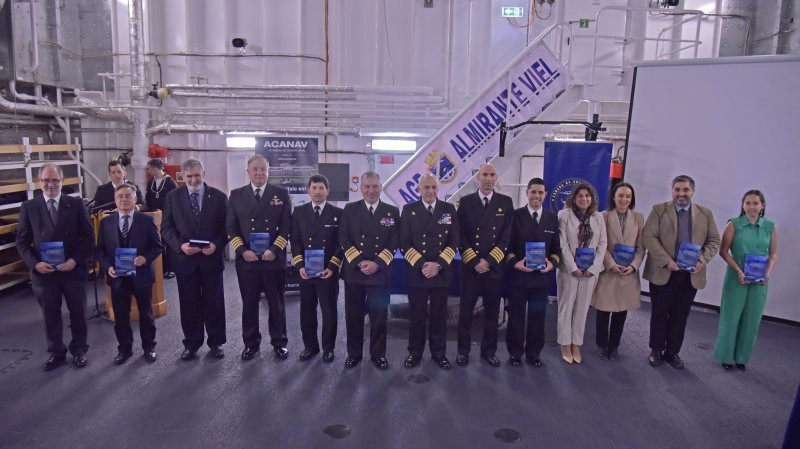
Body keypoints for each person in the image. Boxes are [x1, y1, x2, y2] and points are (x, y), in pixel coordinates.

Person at [16, 163, 94, 370]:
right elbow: (22, 243)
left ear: (62, 181)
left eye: (55, 180)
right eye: (46, 180)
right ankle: (56, 352)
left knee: (78, 313)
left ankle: (79, 350)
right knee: (50, 315)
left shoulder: (76, 204)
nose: (50, 184)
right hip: (44, 274)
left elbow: (88, 238)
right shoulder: (29, 207)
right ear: (39, 181)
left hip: (72, 271)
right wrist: (35, 264)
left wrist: (74, 261)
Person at [643, 174, 720, 369]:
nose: (681, 193)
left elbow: (714, 241)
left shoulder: (705, 213)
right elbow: (649, 236)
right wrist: (667, 261)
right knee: (659, 314)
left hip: (690, 275)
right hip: (663, 271)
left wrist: (702, 260)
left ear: (692, 191)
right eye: (677, 189)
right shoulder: (659, 210)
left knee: (680, 316)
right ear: (672, 191)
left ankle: (672, 353)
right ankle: (656, 350)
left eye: (685, 190)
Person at [161, 159, 229, 361]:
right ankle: (191, 343)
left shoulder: (218, 197)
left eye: (197, 175)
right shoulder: (173, 197)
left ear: (204, 173)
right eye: (189, 176)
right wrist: (180, 246)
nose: (193, 180)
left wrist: (216, 245)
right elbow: (166, 228)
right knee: (189, 304)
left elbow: (227, 228)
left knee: (214, 302)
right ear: (182, 177)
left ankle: (216, 342)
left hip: (211, 260)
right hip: (185, 261)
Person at [227, 154, 292, 361]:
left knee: (277, 303)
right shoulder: (236, 195)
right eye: (255, 169)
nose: (259, 173)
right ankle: (251, 343)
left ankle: (279, 342)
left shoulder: (281, 193)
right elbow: (231, 227)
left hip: (273, 259)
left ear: (268, 171)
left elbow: (286, 227)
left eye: (263, 169)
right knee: (249, 303)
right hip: (248, 260)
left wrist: (274, 249)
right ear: (248, 172)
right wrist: (242, 250)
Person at [398, 173, 459, 370]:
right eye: (426, 188)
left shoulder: (448, 209)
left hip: (440, 272)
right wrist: (423, 265)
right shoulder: (409, 210)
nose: (430, 191)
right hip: (418, 271)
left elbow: (454, 241)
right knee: (416, 315)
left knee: (440, 316)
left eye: (433, 187)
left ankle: (439, 353)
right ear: (419, 190)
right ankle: (414, 353)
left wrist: (438, 264)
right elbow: (404, 243)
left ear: (438, 188)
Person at [96, 184, 162, 365]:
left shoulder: (146, 221)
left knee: (146, 314)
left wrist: (145, 259)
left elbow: (157, 247)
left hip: (141, 276)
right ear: (115, 200)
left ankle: (149, 347)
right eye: (120, 197)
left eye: (128, 196)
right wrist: (107, 266)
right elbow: (100, 249)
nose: (124, 200)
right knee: (121, 316)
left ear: (135, 199)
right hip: (117, 277)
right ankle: (124, 349)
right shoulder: (106, 222)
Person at [454, 163, 513, 367]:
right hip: (471, 268)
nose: (488, 179)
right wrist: (473, 260)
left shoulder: (505, 202)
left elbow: (506, 236)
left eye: (492, 175)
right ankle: (463, 350)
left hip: (493, 268)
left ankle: (489, 351)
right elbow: (460, 234)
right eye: (485, 175)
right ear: (477, 177)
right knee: (465, 312)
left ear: (496, 178)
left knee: (491, 313)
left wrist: (488, 261)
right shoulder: (466, 202)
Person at [339, 171, 399, 370]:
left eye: (375, 187)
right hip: (355, 273)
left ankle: (378, 354)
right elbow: (344, 239)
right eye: (367, 187)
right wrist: (359, 262)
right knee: (353, 315)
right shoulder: (350, 209)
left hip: (379, 273)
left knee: (379, 316)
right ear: (361, 188)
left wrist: (377, 264)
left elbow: (393, 243)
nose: (371, 190)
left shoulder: (392, 211)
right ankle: (354, 354)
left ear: (380, 188)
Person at [714, 190, 778, 370]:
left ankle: (741, 358)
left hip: (760, 280)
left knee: (752, 320)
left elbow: (773, 254)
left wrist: (768, 272)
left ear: (762, 205)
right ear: (742, 205)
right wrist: (738, 270)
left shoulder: (770, 227)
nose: (751, 207)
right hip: (737, 277)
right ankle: (726, 357)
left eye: (755, 203)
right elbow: (723, 251)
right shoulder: (733, 224)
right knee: (731, 317)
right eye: (748, 203)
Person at [504, 178, 561, 367]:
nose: (536, 196)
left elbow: (557, 250)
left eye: (540, 192)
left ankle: (534, 354)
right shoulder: (515, 215)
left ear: (545, 194)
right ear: (527, 193)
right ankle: (515, 353)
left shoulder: (552, 219)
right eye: (533, 192)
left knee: (538, 318)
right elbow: (507, 246)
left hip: (541, 279)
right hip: (519, 277)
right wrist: (514, 263)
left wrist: (552, 264)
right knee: (516, 317)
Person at [290, 175, 343, 363]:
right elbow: (295, 240)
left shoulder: (338, 213)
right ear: (308, 190)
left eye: (321, 188)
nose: (318, 191)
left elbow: (340, 243)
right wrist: (299, 265)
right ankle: (310, 347)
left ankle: (329, 348)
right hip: (306, 271)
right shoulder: (298, 212)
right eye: (314, 188)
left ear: (327, 191)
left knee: (329, 311)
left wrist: (332, 266)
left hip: (328, 272)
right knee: (307, 310)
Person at [591, 182, 646, 361]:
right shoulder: (603, 216)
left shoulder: (638, 217)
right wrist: (610, 263)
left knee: (621, 311)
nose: (624, 199)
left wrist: (634, 266)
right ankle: (602, 344)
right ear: (613, 197)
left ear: (632, 199)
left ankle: (614, 345)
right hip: (608, 270)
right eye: (620, 195)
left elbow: (641, 247)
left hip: (628, 272)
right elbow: (600, 244)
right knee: (603, 310)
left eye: (628, 196)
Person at [557, 183, 607, 364]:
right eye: (580, 196)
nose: (584, 199)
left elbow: (602, 243)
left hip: (590, 272)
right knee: (566, 306)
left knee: (582, 309)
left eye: (587, 196)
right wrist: (573, 267)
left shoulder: (598, 217)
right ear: (573, 198)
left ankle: (576, 343)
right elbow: (562, 244)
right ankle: (565, 343)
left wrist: (592, 268)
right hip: (569, 271)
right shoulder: (563, 215)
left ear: (592, 198)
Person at [144, 158, 177, 279]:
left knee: (169, 244)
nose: (147, 171)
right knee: (159, 243)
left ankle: (172, 269)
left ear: (155, 168)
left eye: (149, 168)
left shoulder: (170, 182)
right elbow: (148, 199)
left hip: (168, 218)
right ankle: (161, 268)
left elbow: (175, 201)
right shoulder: (150, 183)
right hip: (154, 218)